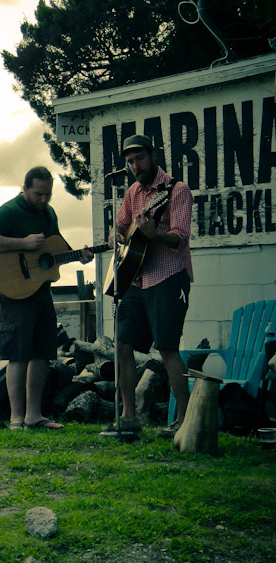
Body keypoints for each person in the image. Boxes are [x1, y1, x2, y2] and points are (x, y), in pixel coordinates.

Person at [0, 166, 94, 431]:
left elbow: (56, 247)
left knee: (42, 354)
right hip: (13, 292)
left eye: (48, 194)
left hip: (41, 293)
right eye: (38, 194)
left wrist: (80, 255)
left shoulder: (49, 213)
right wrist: (24, 243)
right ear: (25, 189)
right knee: (18, 356)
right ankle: (16, 418)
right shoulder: (9, 211)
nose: (43, 199)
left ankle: (34, 415)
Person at [108, 134, 194, 438]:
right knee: (122, 344)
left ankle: (183, 420)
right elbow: (119, 226)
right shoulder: (132, 193)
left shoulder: (177, 191)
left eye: (139, 159)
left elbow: (180, 237)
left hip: (169, 277)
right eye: (130, 162)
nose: (135, 166)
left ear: (153, 155)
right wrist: (117, 237)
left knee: (168, 347)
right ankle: (129, 416)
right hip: (136, 277)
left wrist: (153, 233)